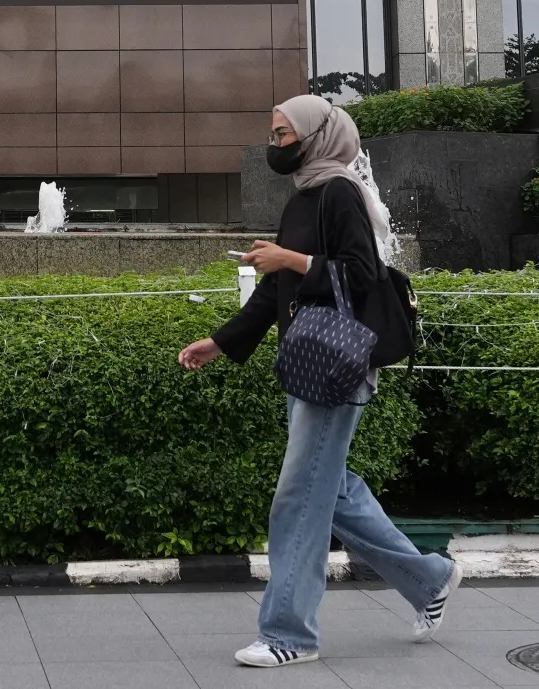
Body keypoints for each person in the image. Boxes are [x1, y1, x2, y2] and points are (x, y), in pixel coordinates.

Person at [178, 95, 456, 668]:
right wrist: (223, 340)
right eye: (274, 134)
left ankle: (289, 634)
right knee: (334, 491)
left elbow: (362, 273)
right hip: (308, 361)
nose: (275, 145)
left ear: (315, 136)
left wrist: (293, 261)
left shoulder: (340, 193)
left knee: (299, 497)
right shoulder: (303, 194)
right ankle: (430, 581)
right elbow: (275, 290)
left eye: (283, 134)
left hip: (338, 367)